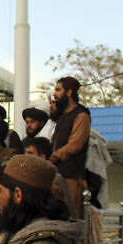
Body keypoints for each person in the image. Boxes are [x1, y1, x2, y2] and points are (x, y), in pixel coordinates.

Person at [50, 76, 91, 216]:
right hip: (57, 175)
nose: (55, 94)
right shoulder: (62, 116)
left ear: (69, 92)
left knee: (71, 216)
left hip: (71, 177)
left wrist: (55, 156)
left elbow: (75, 145)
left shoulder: (81, 115)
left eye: (58, 90)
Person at [23, 137, 78, 219]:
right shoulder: (32, 177)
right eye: (25, 153)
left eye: (30, 153)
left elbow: (67, 213)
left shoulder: (54, 180)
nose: (25, 157)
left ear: (42, 157)